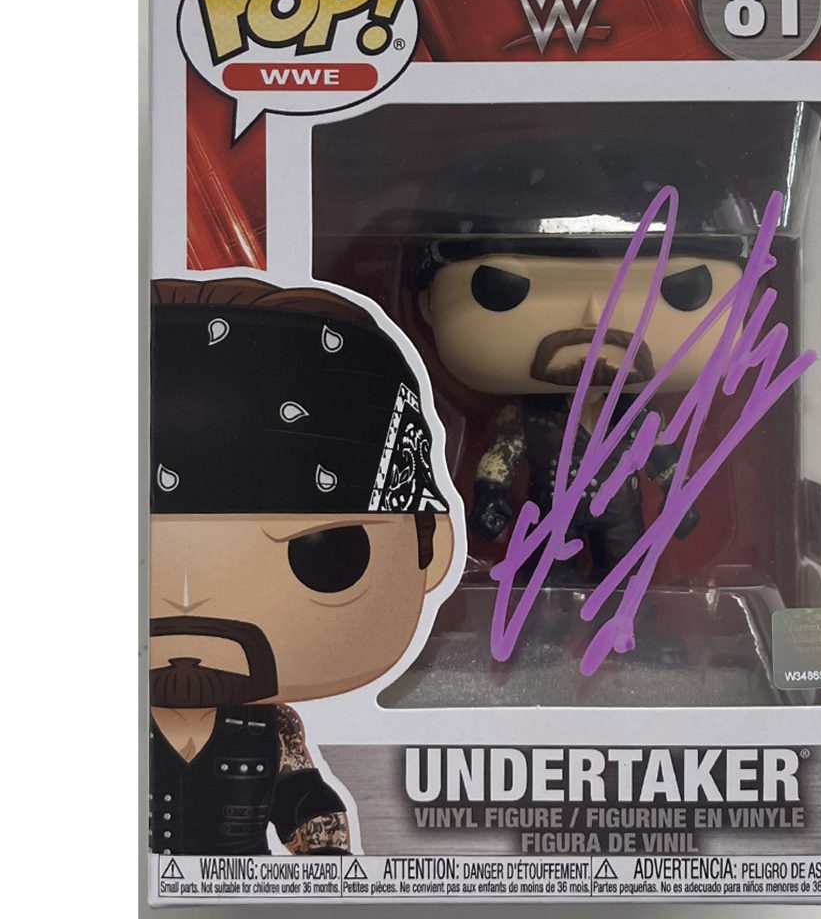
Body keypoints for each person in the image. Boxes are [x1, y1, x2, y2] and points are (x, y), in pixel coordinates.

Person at [149, 278, 454, 855]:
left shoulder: (273, 729)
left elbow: (306, 804)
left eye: (321, 555)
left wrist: (328, 866)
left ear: (431, 547)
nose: (186, 600)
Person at [417, 137, 753, 583]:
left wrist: (678, 498)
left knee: (626, 578)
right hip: (550, 513)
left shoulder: (637, 416)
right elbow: (502, 454)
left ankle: (630, 620)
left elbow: (662, 458)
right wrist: (490, 493)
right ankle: (542, 622)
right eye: (504, 287)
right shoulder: (526, 416)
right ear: (428, 303)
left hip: (621, 511)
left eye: (682, 288)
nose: (596, 320)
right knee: (544, 584)